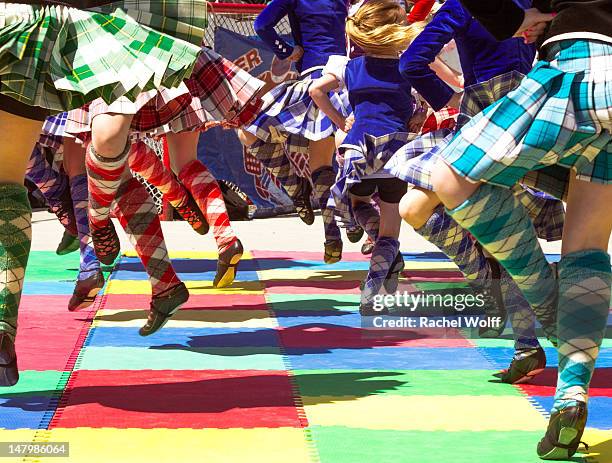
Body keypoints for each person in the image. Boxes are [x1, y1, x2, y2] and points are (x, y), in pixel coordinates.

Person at [430, 1, 610, 459]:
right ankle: (570, 395)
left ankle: (547, 306)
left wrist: (514, 18)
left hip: (580, 66)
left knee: (450, 179)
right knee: (586, 247)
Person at [0, 0, 208, 386]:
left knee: (97, 155)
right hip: (72, 36)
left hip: (55, 32)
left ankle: (97, 236)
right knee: (60, 165)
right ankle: (102, 242)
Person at [394, 0, 567, 383]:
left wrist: (451, 98)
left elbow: (410, 63)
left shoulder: (465, 5)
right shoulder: (532, 4)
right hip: (526, 119)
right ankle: (498, 293)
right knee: (414, 209)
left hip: (495, 121)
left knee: (492, 236)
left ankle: (526, 337)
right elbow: (411, 62)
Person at [310, 0, 423, 313]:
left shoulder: (348, 66)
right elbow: (431, 97)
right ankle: (372, 292)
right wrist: (419, 113)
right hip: (397, 151)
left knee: (356, 203)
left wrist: (340, 120)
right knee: (391, 228)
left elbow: (316, 91)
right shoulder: (408, 67)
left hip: (362, 148)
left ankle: (384, 257)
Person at [238, 0, 352, 263]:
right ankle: (335, 233)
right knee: (323, 162)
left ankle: (293, 184)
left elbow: (262, 25)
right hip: (344, 78)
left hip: (314, 76)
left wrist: (287, 51)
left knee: (247, 128)